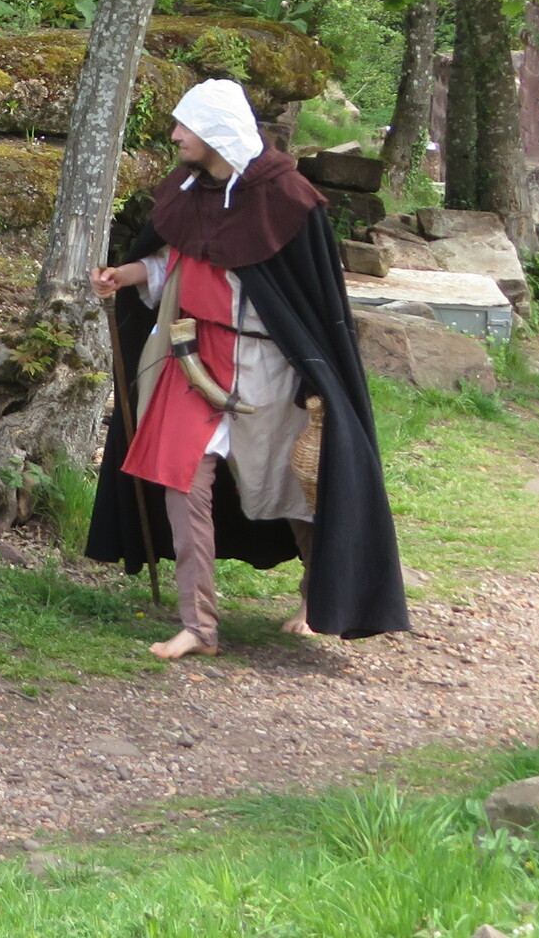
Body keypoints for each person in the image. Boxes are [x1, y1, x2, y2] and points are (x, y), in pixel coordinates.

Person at [88, 79, 410, 657]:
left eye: (185, 127)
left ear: (216, 133)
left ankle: (318, 593)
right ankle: (199, 626)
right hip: (193, 359)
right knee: (182, 482)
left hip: (270, 365)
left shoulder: (286, 199)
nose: (175, 136)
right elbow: (173, 264)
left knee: (296, 488)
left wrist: (316, 379)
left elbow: (309, 298)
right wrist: (127, 275)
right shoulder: (189, 190)